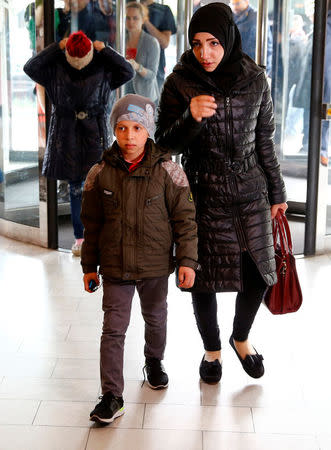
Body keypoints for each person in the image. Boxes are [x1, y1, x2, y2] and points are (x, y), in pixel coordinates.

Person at [156, 3, 288, 384]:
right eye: (197, 44)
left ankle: (240, 337)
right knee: (204, 279)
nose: (205, 54)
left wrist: (276, 190)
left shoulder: (255, 79)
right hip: (204, 192)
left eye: (213, 43)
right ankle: (212, 350)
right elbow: (163, 144)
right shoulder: (179, 82)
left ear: (228, 39)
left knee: (261, 273)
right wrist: (190, 118)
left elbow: (265, 142)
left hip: (251, 191)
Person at [81, 94, 199, 425]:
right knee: (113, 330)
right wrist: (89, 266)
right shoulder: (99, 173)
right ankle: (112, 395)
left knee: (156, 319)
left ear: (148, 131)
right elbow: (92, 226)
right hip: (115, 267)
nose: (129, 136)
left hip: (155, 267)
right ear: (114, 130)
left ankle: (154, 360)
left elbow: (186, 221)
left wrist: (187, 261)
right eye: (121, 128)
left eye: (136, 128)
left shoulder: (169, 171)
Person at [24, 31, 134, 255]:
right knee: (96, 189)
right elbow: (126, 70)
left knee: (79, 189)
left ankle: (82, 239)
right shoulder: (102, 68)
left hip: (68, 135)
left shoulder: (56, 69)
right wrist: (105, 49)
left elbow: (31, 67)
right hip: (92, 134)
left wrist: (57, 47)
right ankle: (92, 238)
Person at [125, 2, 160, 103]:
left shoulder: (151, 42)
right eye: (128, 18)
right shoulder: (121, 40)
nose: (131, 22)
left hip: (145, 97)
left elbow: (152, 75)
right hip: (125, 94)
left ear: (143, 20)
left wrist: (137, 67)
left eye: (135, 18)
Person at [140, 0, 177, 91]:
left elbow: (164, 43)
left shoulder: (163, 11)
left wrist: (146, 21)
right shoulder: (124, 6)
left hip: (154, 71)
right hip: (128, 68)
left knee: (152, 103)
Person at [230, 0, 273, 77]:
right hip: (236, 66)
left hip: (251, 67)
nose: (234, 7)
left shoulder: (257, 17)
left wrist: (266, 70)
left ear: (246, 2)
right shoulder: (231, 16)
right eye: (232, 4)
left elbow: (267, 45)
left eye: (237, 3)